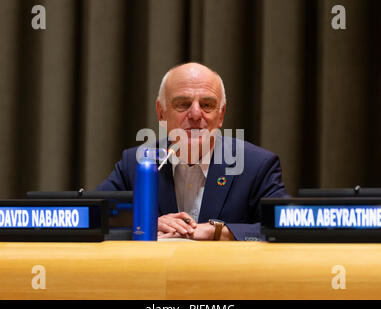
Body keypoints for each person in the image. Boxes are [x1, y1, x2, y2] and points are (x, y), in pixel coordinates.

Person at [97, 62, 289, 241]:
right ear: (161, 113)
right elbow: (92, 216)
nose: (196, 114)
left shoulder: (256, 166)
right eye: (183, 104)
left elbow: (285, 225)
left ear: (220, 115)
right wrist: (144, 224)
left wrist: (218, 232)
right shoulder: (136, 162)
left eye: (207, 105)